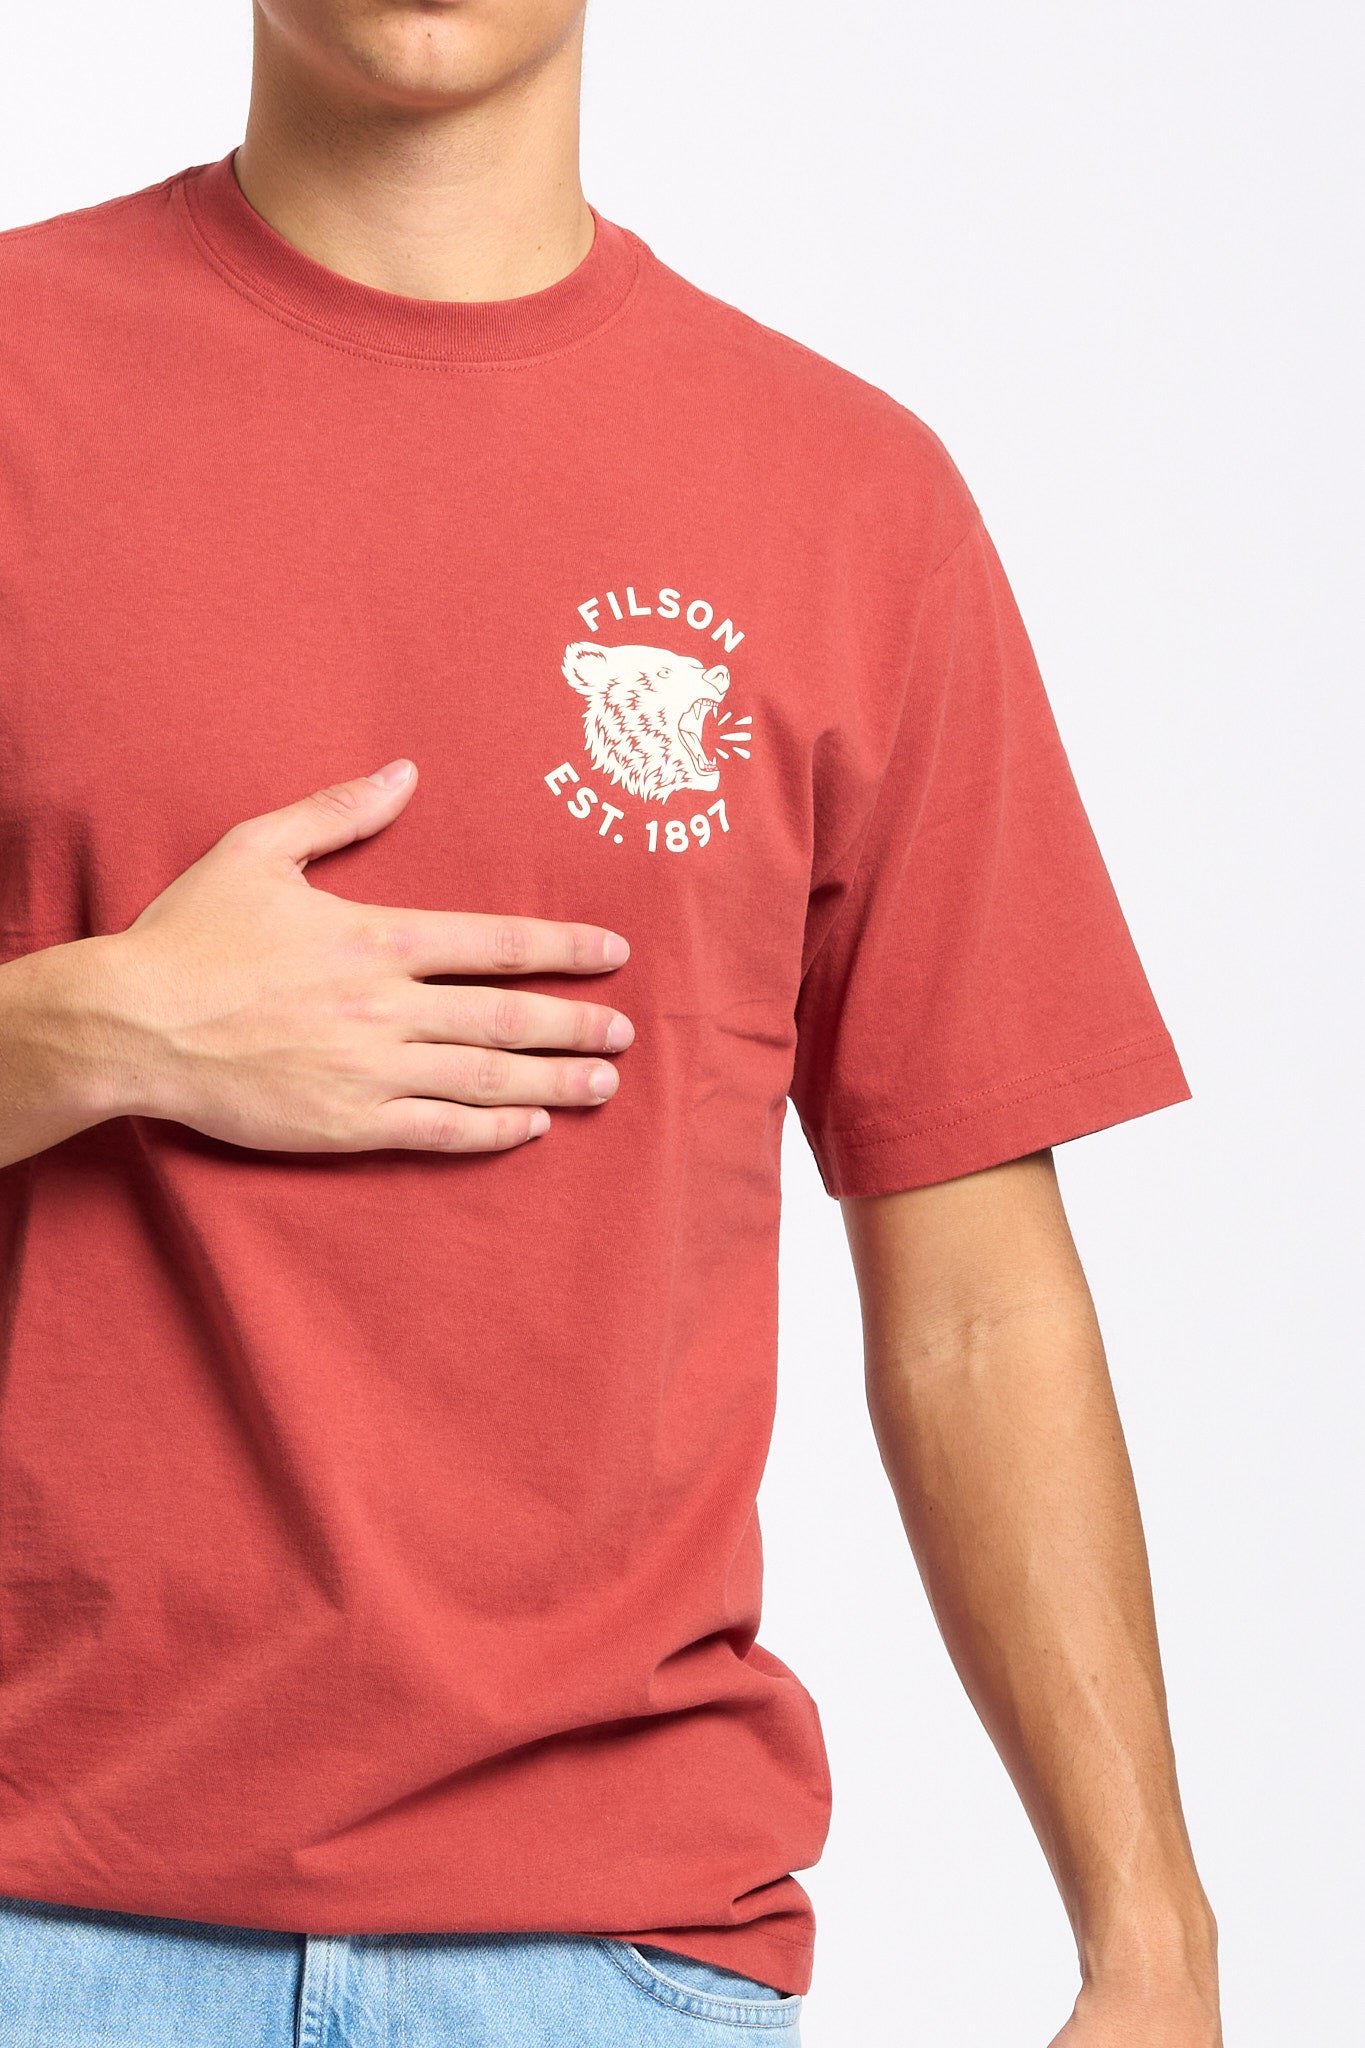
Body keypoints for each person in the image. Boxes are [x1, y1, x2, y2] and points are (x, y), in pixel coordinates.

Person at [0, 3, 1221, 2043]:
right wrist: (91, 1032)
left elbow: (972, 1300)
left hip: (609, 1958)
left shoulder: (844, 499)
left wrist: (1149, 1942)